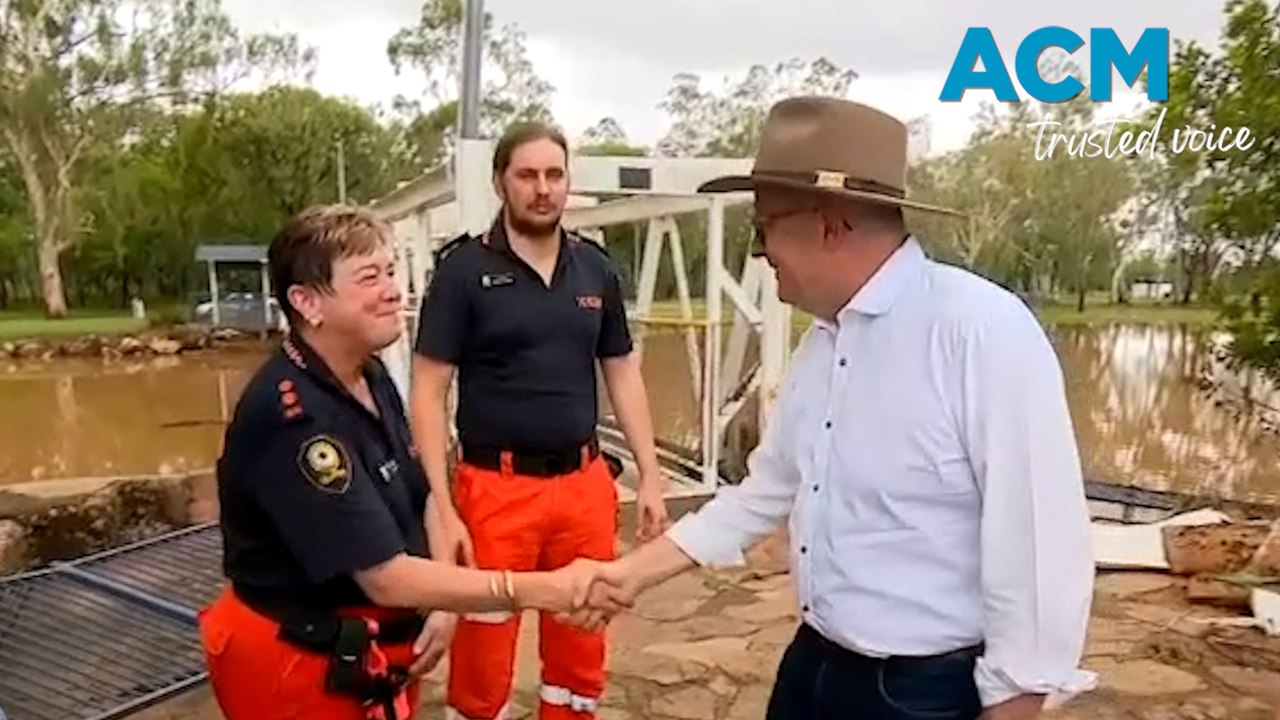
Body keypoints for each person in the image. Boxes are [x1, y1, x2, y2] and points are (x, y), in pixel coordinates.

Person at [573, 97, 1097, 719]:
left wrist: (1015, 703)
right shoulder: (824, 344)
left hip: (920, 692)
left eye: (763, 226)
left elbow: (1038, 548)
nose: (761, 251)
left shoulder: (980, 333)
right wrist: (632, 572)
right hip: (815, 665)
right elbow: (763, 493)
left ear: (826, 223)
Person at [199, 205, 626, 720]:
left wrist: (445, 601)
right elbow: (385, 577)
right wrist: (541, 589)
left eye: (390, 271)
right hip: (296, 663)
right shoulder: (296, 419)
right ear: (307, 302)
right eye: (368, 278)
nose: (392, 291)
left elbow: (419, 488)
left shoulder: (368, 374)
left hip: (366, 653)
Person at [410, 121, 667, 720]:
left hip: (583, 488)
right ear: (502, 182)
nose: (543, 189)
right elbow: (428, 391)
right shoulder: (463, 271)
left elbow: (622, 371)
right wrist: (443, 508)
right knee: (483, 658)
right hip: (494, 491)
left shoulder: (595, 270)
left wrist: (650, 475)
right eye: (527, 175)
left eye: (554, 175)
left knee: (582, 648)